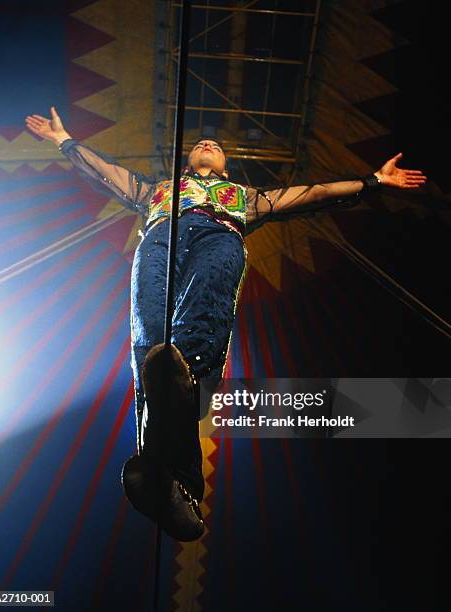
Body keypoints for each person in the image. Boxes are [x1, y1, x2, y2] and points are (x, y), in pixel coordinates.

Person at [25, 107, 427, 541]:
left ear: (227, 166)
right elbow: (107, 173)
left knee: (199, 321)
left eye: (215, 146)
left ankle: (189, 400)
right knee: (151, 342)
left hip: (220, 237)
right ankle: (167, 477)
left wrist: (372, 181)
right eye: (201, 144)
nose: (208, 144)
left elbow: (311, 194)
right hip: (160, 239)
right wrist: (64, 140)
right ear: (186, 161)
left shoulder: (247, 198)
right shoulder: (159, 190)